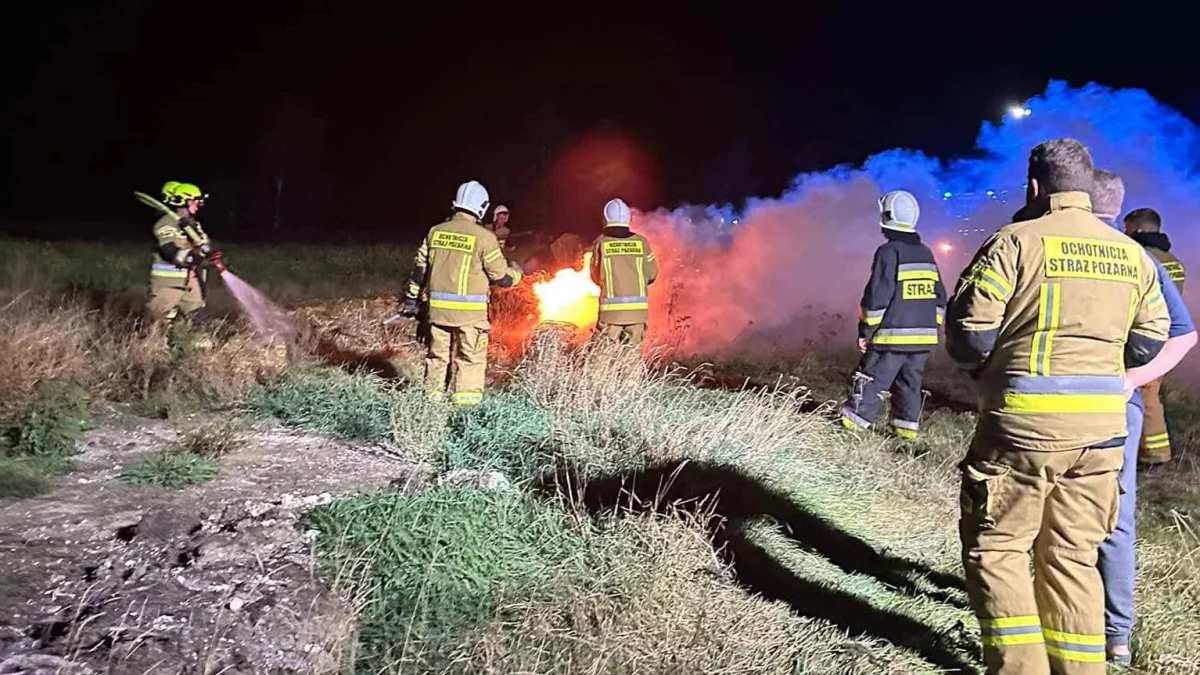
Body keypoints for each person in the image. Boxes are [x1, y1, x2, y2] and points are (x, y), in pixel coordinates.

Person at [945, 139, 1169, 675]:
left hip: (1022, 433)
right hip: (1102, 437)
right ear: (1088, 189)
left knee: (998, 552)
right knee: (1072, 558)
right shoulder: (1131, 254)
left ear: (1034, 187)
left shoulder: (1015, 242)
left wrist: (984, 371)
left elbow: (970, 332)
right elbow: (1152, 338)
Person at [1091, 171, 1197, 665]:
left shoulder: (1129, 255)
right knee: (1117, 515)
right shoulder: (1158, 259)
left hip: (1090, 389)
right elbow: (1180, 327)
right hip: (1135, 373)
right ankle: (1116, 637)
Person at [400, 180, 522, 406]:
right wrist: (517, 274)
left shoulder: (435, 232)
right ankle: (464, 412)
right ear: (482, 207)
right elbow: (500, 277)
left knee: (437, 358)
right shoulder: (484, 237)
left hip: (438, 313)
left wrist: (410, 300)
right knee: (470, 361)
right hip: (470, 316)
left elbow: (419, 270)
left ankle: (431, 405)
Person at [840, 189, 946, 438]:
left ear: (886, 217)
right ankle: (906, 430)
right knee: (910, 384)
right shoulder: (926, 253)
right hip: (923, 339)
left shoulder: (888, 252)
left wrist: (866, 331)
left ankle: (852, 424)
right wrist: (934, 328)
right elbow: (939, 296)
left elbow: (878, 296)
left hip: (892, 336)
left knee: (871, 377)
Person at [1123, 207, 1187, 466]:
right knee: (1151, 391)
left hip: (1147, 335)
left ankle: (1154, 454)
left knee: (1145, 392)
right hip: (1168, 335)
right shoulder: (1173, 260)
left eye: (1127, 230)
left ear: (1137, 230)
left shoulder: (1143, 258)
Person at [146, 181, 216, 332]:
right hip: (168, 283)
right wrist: (193, 257)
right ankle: (153, 351)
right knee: (158, 322)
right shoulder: (166, 224)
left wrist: (207, 251)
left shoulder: (193, 225)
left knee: (198, 317)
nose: (198, 205)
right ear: (184, 202)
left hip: (191, 282)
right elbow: (169, 250)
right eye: (195, 202)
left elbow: (205, 245)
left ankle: (200, 351)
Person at [589, 198, 658, 345]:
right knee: (630, 358)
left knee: (601, 358)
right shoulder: (642, 242)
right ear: (628, 219)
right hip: (637, 314)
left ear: (605, 219)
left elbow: (595, 276)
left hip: (610, 315)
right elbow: (652, 275)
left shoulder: (601, 243)